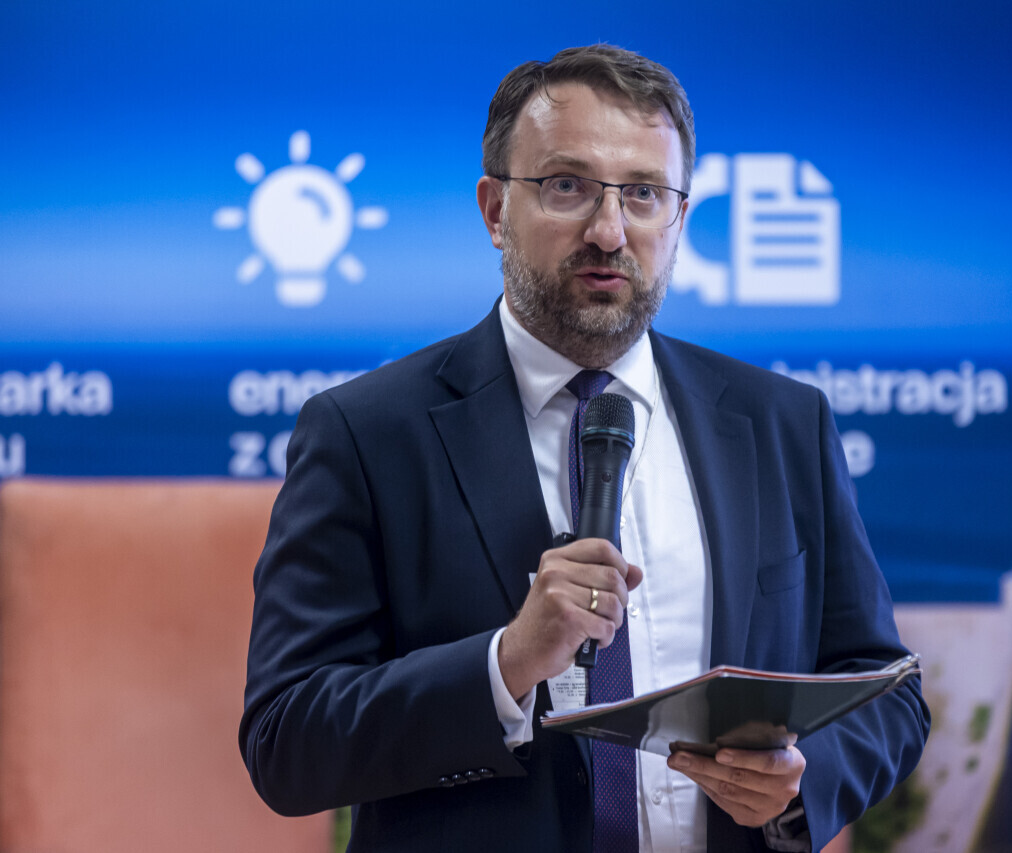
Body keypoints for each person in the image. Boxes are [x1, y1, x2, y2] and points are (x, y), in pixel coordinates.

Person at [240, 44, 928, 852]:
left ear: (679, 218)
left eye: (644, 193)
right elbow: (286, 740)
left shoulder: (782, 423)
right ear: (495, 210)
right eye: (568, 186)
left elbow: (886, 692)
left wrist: (800, 779)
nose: (610, 230)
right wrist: (506, 662)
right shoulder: (367, 432)